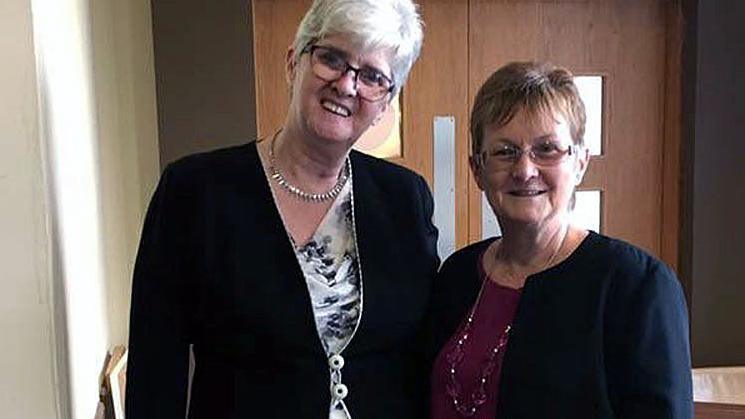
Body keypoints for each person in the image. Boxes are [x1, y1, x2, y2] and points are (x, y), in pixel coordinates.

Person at [126, 1, 438, 418]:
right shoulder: (194, 192)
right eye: (331, 58)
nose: (347, 85)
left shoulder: (405, 198)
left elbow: (422, 358)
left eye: (372, 77)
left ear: (385, 102)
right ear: (294, 62)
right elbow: (155, 372)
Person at [429, 62, 692, 418]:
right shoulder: (457, 275)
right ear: (478, 169)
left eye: (547, 149)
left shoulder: (636, 287)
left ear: (581, 162)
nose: (525, 170)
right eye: (505, 151)